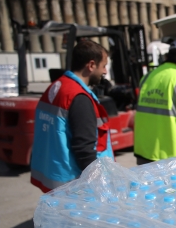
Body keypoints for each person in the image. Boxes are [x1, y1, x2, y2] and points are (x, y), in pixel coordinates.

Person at [30, 40, 114, 192]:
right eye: (103, 66)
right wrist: (99, 184)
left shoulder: (58, 87)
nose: (105, 72)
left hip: (54, 176)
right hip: (73, 184)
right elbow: (84, 149)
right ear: (91, 65)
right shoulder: (79, 98)